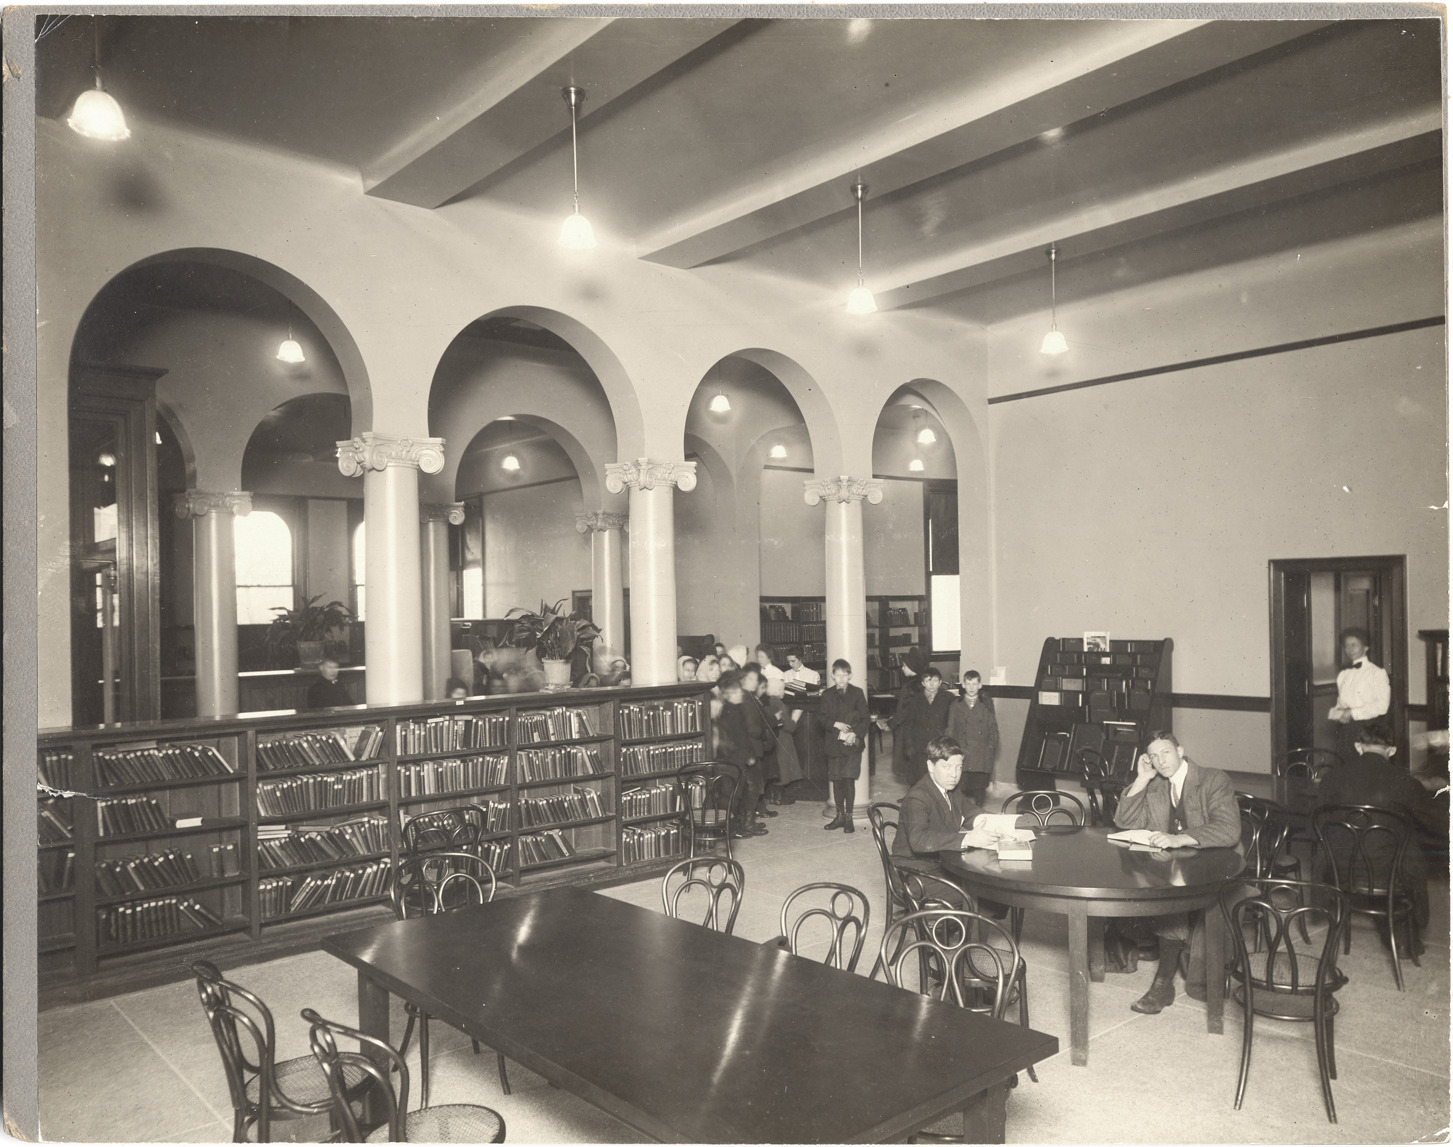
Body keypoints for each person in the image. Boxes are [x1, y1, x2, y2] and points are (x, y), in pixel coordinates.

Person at [1113, 731, 1239, 1013]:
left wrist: (1179, 838)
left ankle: (1162, 983)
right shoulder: (1156, 785)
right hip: (1176, 867)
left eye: (1166, 753)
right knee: (1150, 885)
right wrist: (1142, 779)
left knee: (1172, 899)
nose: (1160, 761)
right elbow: (1125, 822)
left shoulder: (1212, 779)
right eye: (1154, 757)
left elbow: (1229, 830)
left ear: (1180, 751)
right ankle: (1155, 969)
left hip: (1216, 866)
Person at [1320, 723, 1445, 953]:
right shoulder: (1404, 782)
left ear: (1358, 746)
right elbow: (1438, 823)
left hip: (1340, 870)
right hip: (1388, 874)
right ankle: (1404, 938)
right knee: (1410, 851)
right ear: (1392, 750)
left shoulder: (1331, 778)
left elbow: (1318, 825)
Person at [891, 736, 996, 872]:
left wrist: (1005, 822)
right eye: (947, 767)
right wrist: (967, 838)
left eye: (959, 767)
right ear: (931, 766)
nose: (954, 774)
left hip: (940, 861)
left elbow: (971, 812)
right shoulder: (918, 797)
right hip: (915, 870)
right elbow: (918, 840)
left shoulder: (951, 789)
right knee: (977, 880)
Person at [715, 669, 772, 837]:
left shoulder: (734, 707)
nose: (741, 693)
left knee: (742, 790)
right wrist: (749, 755)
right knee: (742, 791)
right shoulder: (734, 709)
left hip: (741, 755)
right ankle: (739, 826)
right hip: (739, 757)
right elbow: (742, 734)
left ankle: (740, 824)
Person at [878, 662, 951, 787]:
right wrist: (909, 746)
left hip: (939, 745)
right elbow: (909, 724)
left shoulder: (949, 698)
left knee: (939, 780)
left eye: (935, 681)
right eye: (928, 681)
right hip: (919, 747)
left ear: (940, 682)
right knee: (919, 780)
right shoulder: (916, 700)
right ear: (923, 683)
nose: (931, 684)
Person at [817, 658, 869, 832]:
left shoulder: (857, 693)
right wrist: (835, 724)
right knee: (837, 781)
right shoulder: (827, 694)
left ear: (850, 675)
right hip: (833, 744)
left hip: (851, 745)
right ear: (832, 675)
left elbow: (865, 719)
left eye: (844, 675)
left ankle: (849, 818)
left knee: (848, 780)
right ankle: (839, 816)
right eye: (838, 675)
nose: (841, 678)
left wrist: (855, 734)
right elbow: (821, 718)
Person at [1328, 627, 1391, 761]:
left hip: (1368, 730)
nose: (1349, 649)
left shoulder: (1377, 673)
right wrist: (1338, 714)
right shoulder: (1344, 674)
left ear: (1366, 647)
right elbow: (1341, 702)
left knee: (1364, 766)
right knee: (1345, 764)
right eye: (1346, 646)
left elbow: (1382, 706)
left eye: (1354, 645)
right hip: (1346, 729)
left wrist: (1352, 713)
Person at [947, 669, 998, 803]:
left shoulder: (986, 704)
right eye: (968, 684)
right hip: (962, 750)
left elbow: (993, 728)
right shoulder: (956, 705)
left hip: (980, 752)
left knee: (979, 787)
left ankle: (978, 809)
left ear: (980, 685)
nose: (971, 688)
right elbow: (950, 729)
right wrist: (950, 750)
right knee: (961, 786)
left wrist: (990, 748)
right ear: (963, 685)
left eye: (974, 684)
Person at [883, 647, 927, 783]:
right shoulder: (923, 683)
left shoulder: (909, 687)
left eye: (904, 666)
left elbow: (903, 712)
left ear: (911, 667)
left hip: (908, 732)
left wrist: (890, 724)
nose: (902, 668)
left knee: (909, 767)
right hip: (921, 730)